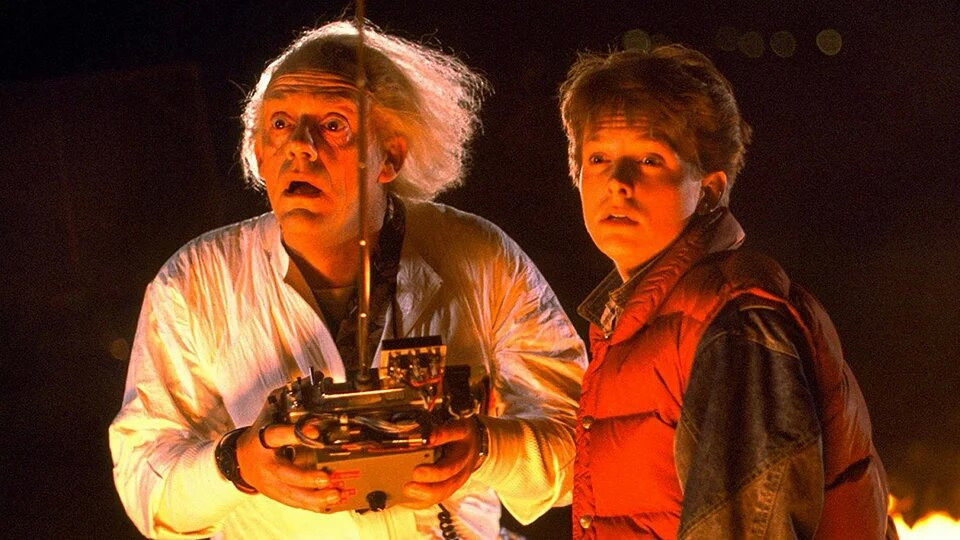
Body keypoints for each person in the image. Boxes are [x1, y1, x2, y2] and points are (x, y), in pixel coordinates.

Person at [110, 21, 586, 539]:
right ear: (259, 153)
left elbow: (582, 447)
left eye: (333, 125)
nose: (300, 147)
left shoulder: (482, 258)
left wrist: (487, 447)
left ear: (391, 156)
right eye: (280, 124)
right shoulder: (194, 282)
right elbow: (144, 479)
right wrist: (238, 464)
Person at [559, 45, 896, 538]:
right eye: (599, 158)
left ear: (710, 189)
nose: (618, 183)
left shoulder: (734, 315)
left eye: (650, 159)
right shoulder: (639, 320)